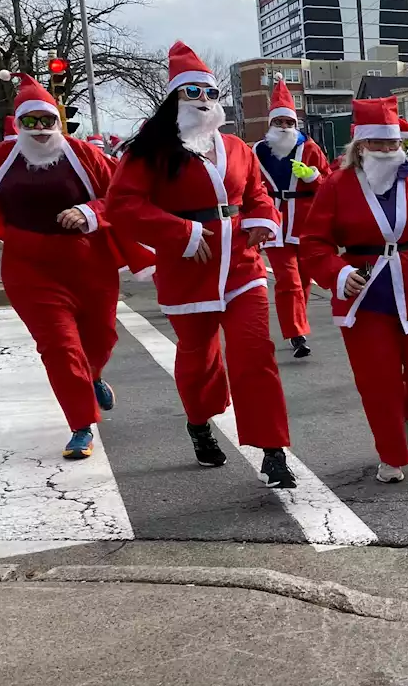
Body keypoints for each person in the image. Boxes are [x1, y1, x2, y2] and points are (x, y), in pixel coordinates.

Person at [0, 71, 153, 458]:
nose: (39, 130)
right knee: (58, 346)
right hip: (29, 268)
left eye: (46, 121)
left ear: (58, 121)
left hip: (90, 263)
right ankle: (81, 424)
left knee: (100, 339)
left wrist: (89, 212)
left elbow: (121, 196)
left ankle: (94, 374)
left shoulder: (83, 154)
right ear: (18, 125)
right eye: (29, 122)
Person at [106, 41, 297, 488]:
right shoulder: (149, 151)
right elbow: (122, 206)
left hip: (242, 268)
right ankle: (199, 422)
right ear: (174, 98)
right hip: (187, 271)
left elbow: (256, 195)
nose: (203, 101)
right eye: (192, 93)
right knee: (199, 361)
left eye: (209, 93)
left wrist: (263, 220)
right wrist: (183, 233)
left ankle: (273, 450)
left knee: (255, 355)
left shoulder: (236, 148)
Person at [299, 96, 408, 483]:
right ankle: (390, 453)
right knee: (378, 381)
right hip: (365, 298)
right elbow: (313, 243)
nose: (388, 151)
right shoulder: (337, 185)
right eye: (378, 143)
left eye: (393, 143)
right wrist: (336, 273)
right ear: (361, 146)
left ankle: (401, 415)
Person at [252, 74, 332, 359]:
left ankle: (297, 323)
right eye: (279, 122)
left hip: (306, 222)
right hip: (276, 222)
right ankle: (297, 333)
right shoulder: (258, 151)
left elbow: (329, 183)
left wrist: (312, 176)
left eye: (289, 122)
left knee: (305, 279)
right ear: (270, 124)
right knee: (289, 280)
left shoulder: (309, 148)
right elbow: (249, 185)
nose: (284, 127)